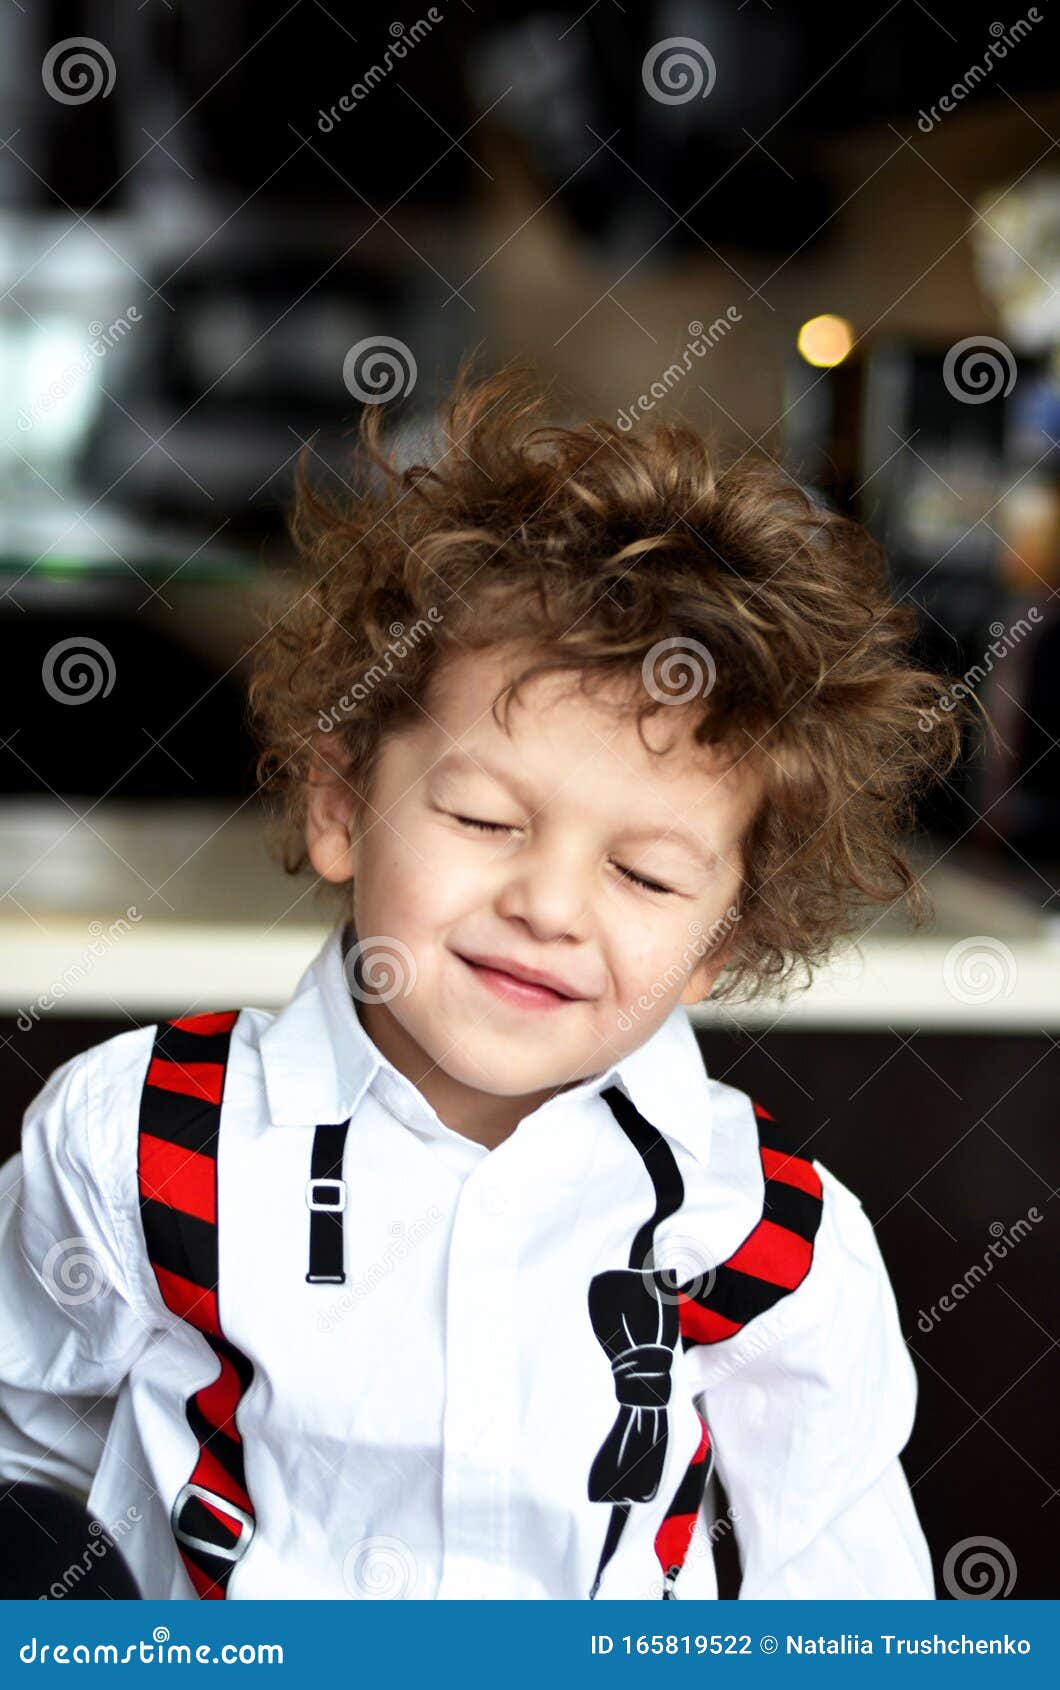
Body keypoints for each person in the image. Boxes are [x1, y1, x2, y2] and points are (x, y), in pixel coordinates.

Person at [0, 362, 989, 1601]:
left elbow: (847, 1590)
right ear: (342, 804)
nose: (550, 906)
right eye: (480, 817)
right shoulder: (135, 1138)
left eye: (643, 874)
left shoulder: (765, 1228)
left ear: (723, 943)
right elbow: (28, 1473)